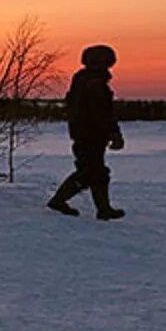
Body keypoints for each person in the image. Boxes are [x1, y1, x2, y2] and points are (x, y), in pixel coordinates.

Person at [47, 44, 126, 220]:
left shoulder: (82, 81)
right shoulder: (94, 85)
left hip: (84, 134)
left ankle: (103, 209)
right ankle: (60, 201)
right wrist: (114, 132)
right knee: (90, 172)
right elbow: (102, 113)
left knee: (95, 172)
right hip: (90, 135)